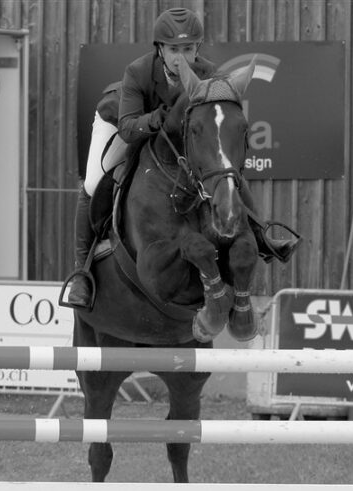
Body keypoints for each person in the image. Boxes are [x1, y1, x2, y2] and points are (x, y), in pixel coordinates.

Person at [68, 7, 299, 309]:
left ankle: (260, 233)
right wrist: (157, 118)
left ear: (197, 48)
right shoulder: (138, 72)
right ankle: (82, 272)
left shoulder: (209, 74)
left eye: (188, 49)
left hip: (177, 136)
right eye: (174, 50)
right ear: (160, 50)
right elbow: (127, 128)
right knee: (93, 182)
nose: (181, 58)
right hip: (126, 121)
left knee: (223, 169)